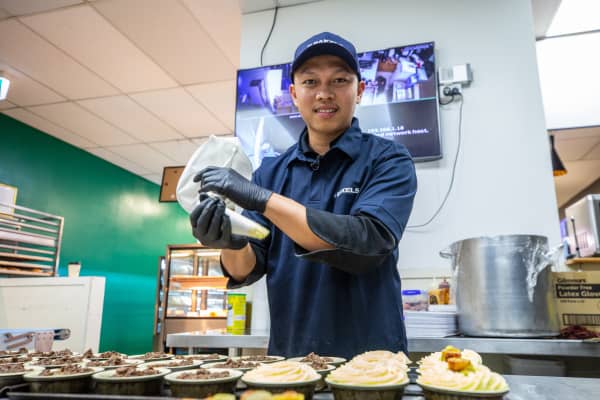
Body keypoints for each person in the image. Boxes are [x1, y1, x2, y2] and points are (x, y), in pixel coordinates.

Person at [190, 32, 417, 360]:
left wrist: (262, 198)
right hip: (291, 358)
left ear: (361, 90)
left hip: (372, 358)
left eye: (339, 80)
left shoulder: (388, 159)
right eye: (311, 82)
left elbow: (371, 240)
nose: (324, 93)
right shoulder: (271, 172)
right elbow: (246, 268)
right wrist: (229, 240)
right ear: (295, 94)